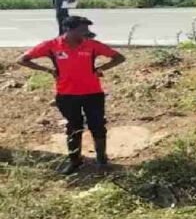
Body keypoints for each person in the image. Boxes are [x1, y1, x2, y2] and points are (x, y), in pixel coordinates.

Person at [18, 16, 125, 174]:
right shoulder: (51, 46)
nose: (87, 33)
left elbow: (119, 57)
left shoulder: (92, 45)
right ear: (69, 29)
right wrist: (48, 70)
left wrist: (101, 69)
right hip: (66, 95)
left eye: (87, 30)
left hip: (93, 93)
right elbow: (22, 59)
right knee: (74, 128)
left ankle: (102, 161)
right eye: (83, 30)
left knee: (98, 127)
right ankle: (75, 161)